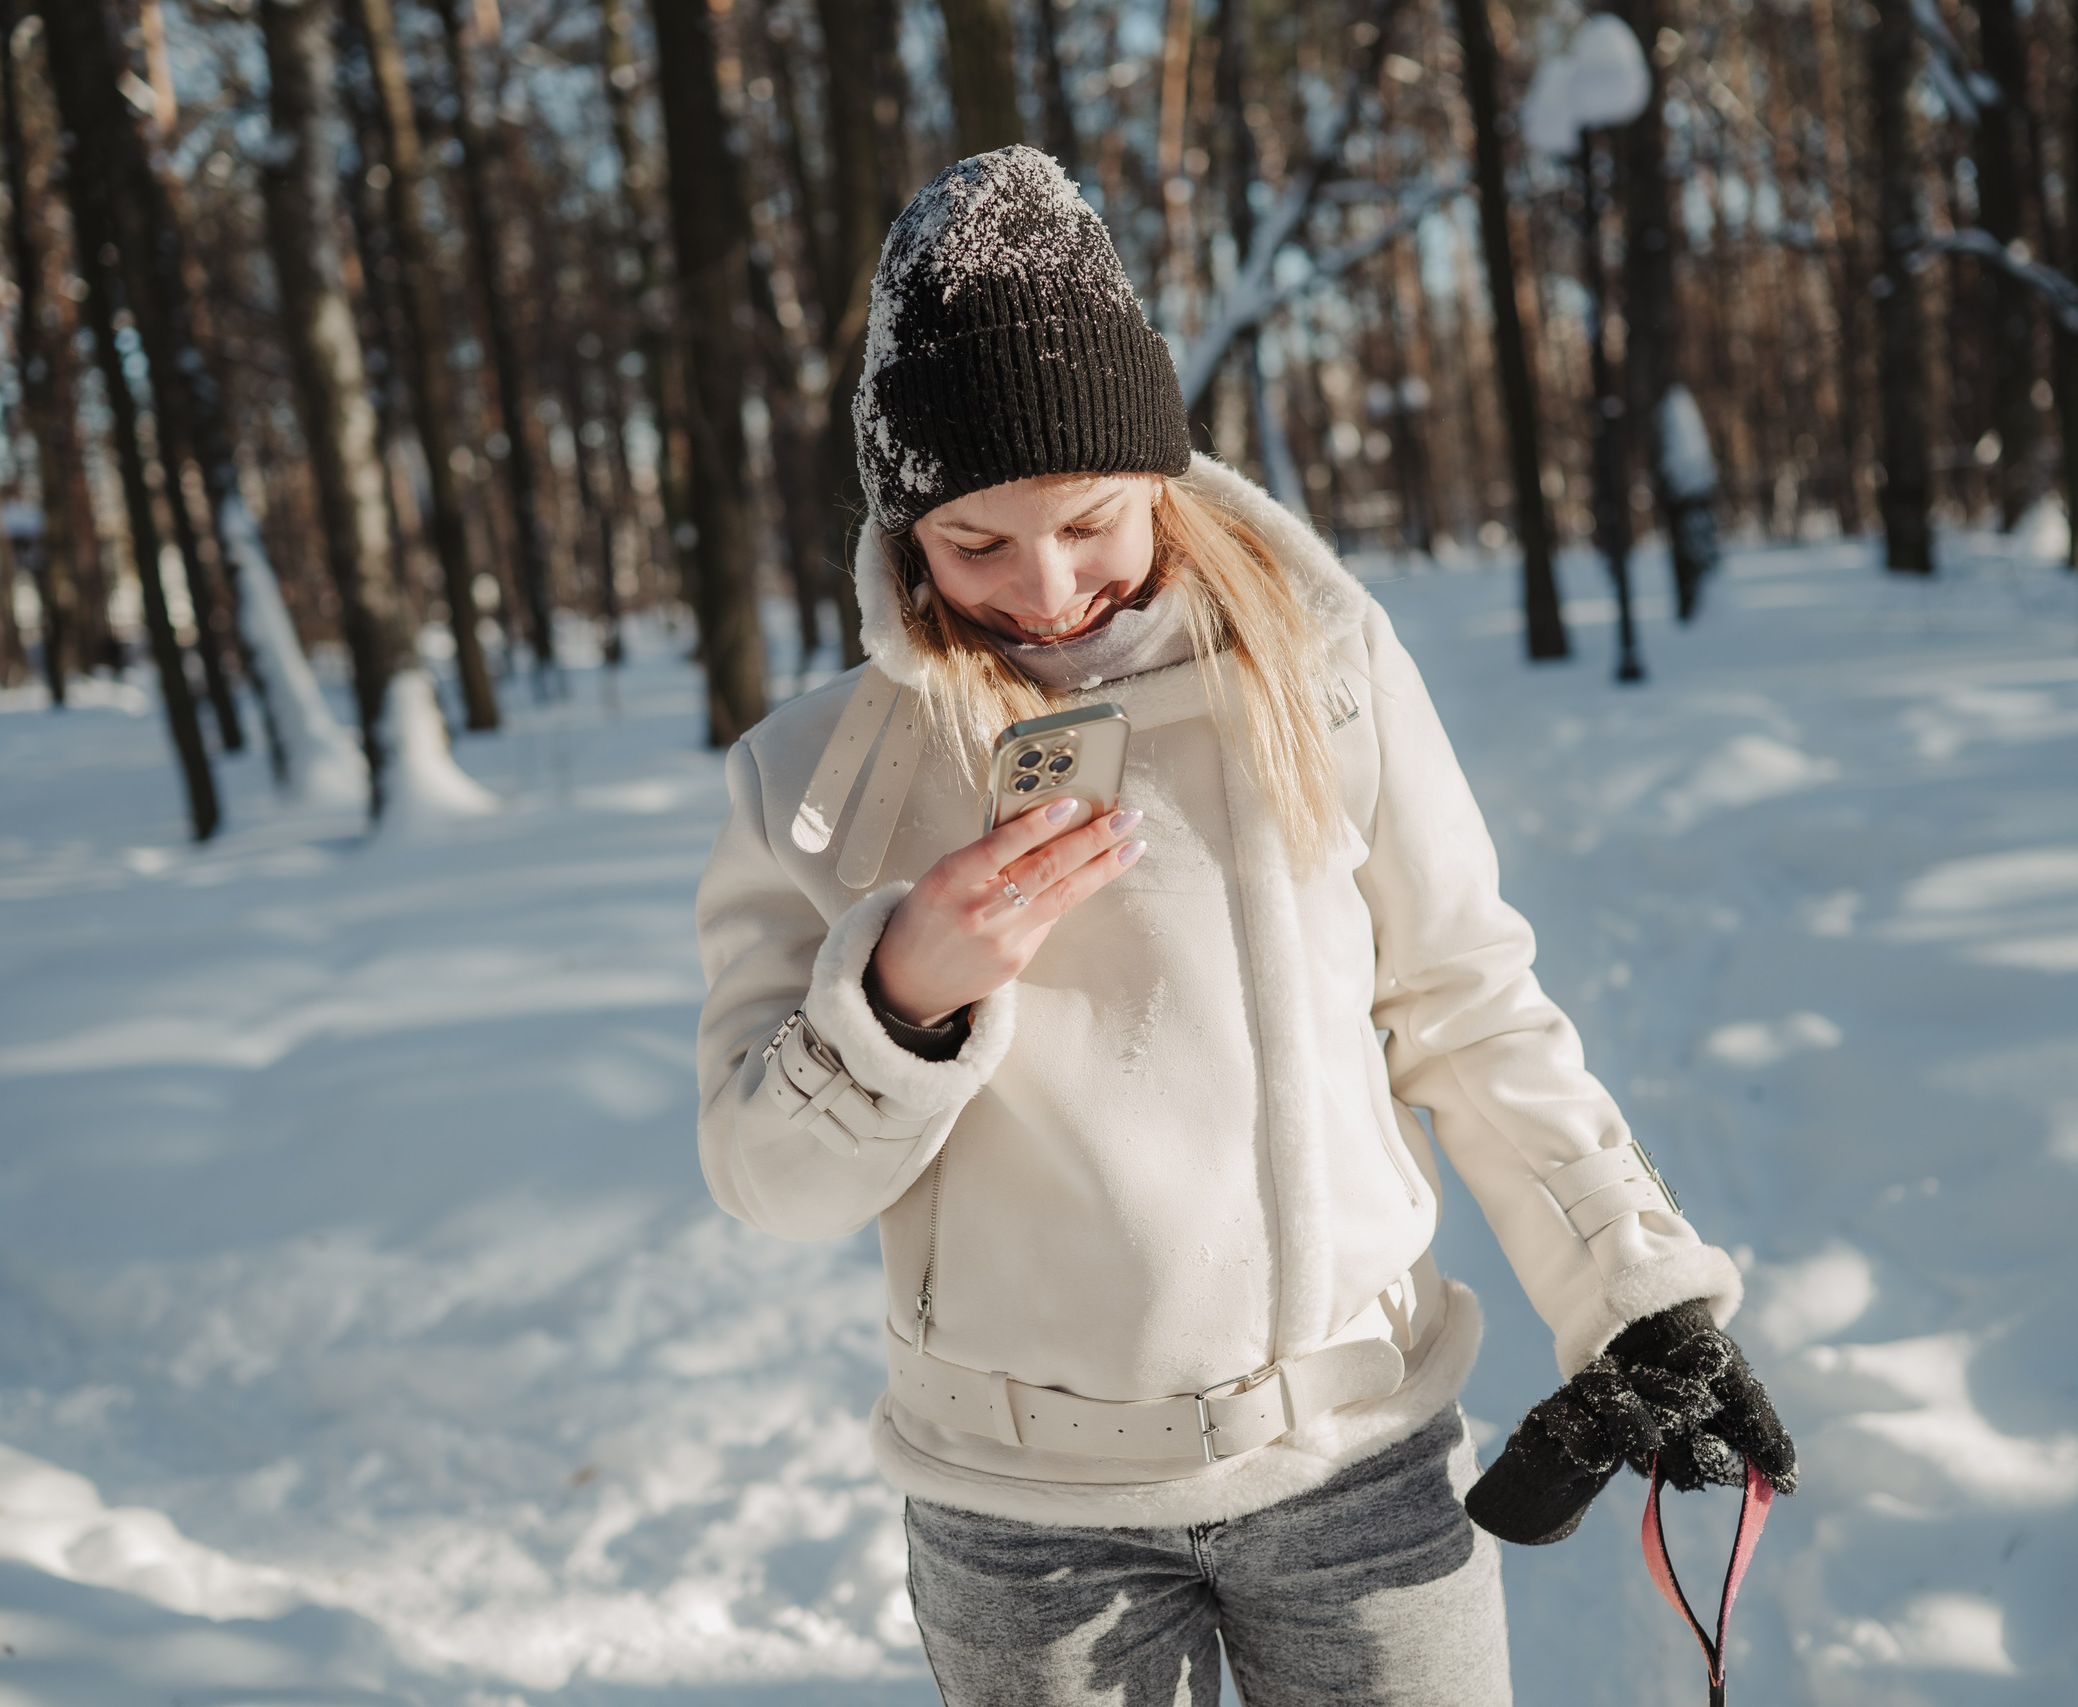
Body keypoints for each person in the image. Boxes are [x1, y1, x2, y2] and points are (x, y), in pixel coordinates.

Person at [695, 146, 1794, 1707]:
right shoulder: (813, 784)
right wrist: (899, 1002)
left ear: (1159, 467)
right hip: (1027, 1524)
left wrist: (1640, 1291)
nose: (1049, 589)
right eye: (975, 544)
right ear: (900, 530)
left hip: (1353, 1459)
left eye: (1089, 521)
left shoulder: (1323, 666)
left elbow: (1466, 1002)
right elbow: (764, 1180)